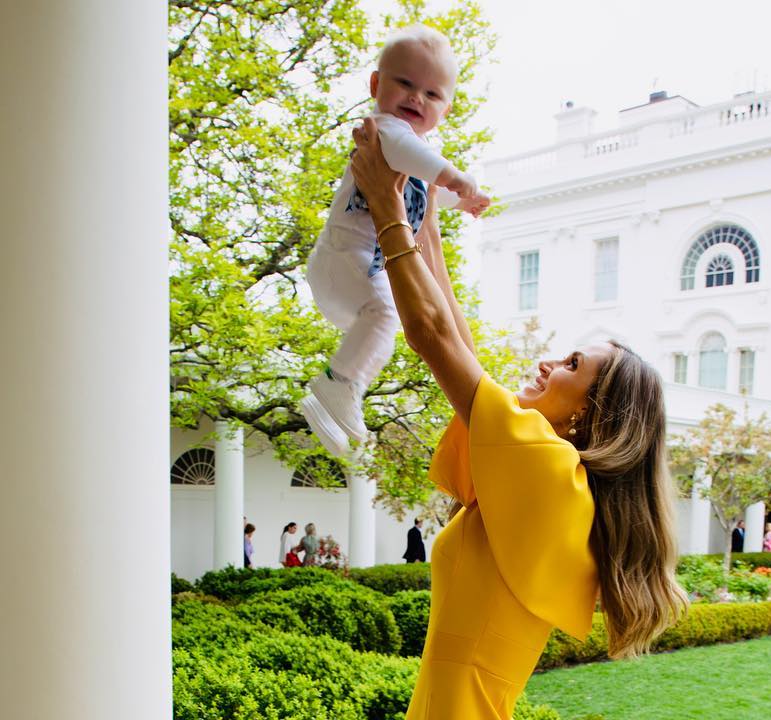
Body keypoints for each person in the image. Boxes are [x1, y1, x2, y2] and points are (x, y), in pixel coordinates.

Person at [348, 118, 687, 719]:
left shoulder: (551, 470)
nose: (546, 362)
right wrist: (423, 218)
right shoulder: (552, 483)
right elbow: (458, 344)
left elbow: (433, 338)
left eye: (571, 364)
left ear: (590, 415)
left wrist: (384, 205)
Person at [300, 24, 491, 457]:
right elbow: (419, 161)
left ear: (446, 108)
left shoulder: (407, 153)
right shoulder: (385, 130)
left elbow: (422, 191)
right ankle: (338, 384)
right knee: (387, 313)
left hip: (352, 270)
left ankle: (335, 398)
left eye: (432, 94)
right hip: (343, 258)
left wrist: (458, 202)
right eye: (405, 83)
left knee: (388, 323)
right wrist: (458, 178)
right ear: (375, 84)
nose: (416, 98)